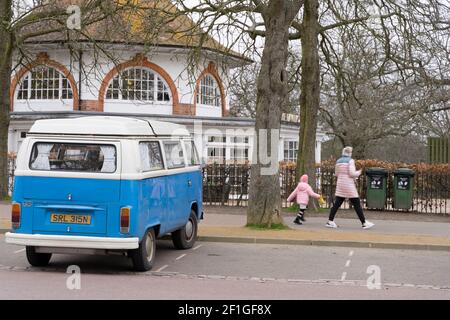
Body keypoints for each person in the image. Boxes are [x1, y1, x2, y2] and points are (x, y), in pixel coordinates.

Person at [326, 146, 374, 229]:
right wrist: (359, 172)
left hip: (340, 184)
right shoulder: (350, 161)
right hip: (348, 185)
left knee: (337, 203)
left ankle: (330, 221)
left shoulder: (338, 161)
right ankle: (364, 223)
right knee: (356, 203)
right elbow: (352, 173)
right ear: (349, 153)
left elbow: (336, 173)